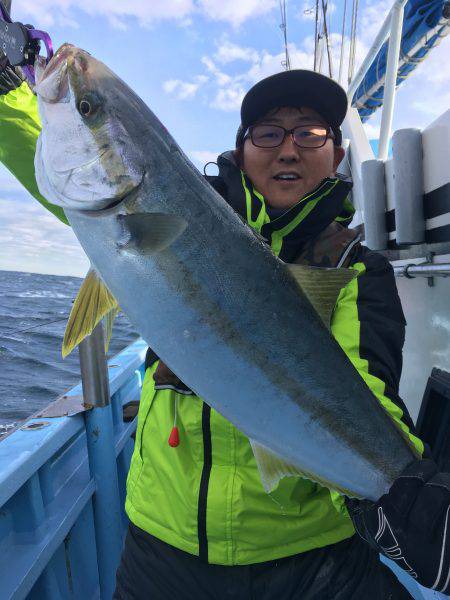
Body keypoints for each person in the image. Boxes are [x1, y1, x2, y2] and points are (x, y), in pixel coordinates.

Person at [1, 52, 450, 599]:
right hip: (163, 543)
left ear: (336, 156)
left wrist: (404, 490)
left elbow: (368, 389)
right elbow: (46, 159)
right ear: (241, 149)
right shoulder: (172, 209)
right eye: (268, 133)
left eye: (311, 134)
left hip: (310, 556)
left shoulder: (356, 266)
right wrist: (8, 92)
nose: (288, 148)